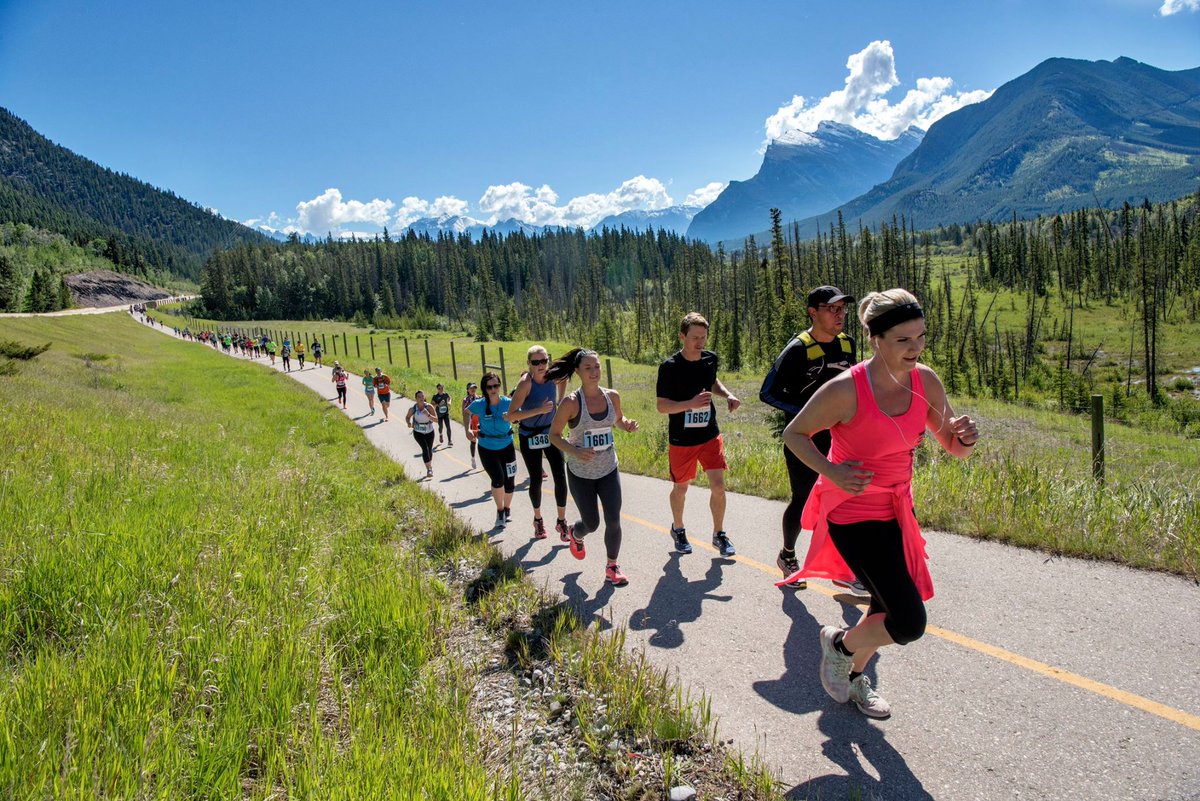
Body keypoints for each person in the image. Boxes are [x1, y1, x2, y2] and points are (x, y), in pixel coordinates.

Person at [782, 288, 980, 719]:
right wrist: (832, 472)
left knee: (881, 607)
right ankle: (838, 643)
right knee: (908, 622)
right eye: (903, 340)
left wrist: (964, 437)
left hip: (896, 510)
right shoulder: (846, 390)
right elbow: (794, 434)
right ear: (875, 339)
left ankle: (852, 679)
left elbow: (952, 444)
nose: (916, 348)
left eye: (921, 337)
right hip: (853, 513)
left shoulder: (925, 380)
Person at [761, 285, 861, 592]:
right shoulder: (798, 349)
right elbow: (768, 392)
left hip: (841, 438)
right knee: (803, 499)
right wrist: (808, 414)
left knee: (843, 499)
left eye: (842, 308)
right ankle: (787, 555)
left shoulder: (847, 344)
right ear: (813, 312)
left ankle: (843, 568)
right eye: (832, 309)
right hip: (804, 439)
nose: (839, 314)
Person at [549, 349, 639, 586]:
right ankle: (575, 534)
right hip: (581, 473)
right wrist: (575, 451)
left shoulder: (612, 396)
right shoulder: (571, 403)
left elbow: (617, 420)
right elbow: (554, 436)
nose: (594, 372)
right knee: (592, 523)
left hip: (608, 468)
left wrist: (626, 424)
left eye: (597, 367)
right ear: (577, 371)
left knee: (613, 519)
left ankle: (612, 567)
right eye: (588, 368)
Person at [655, 312, 740, 557]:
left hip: (709, 434)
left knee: (718, 486)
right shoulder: (669, 367)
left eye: (703, 337)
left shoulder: (710, 359)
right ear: (682, 336)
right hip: (682, 439)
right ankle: (678, 528)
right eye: (694, 337)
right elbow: (662, 406)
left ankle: (719, 534)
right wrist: (690, 403)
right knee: (681, 488)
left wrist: (728, 395)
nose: (700, 342)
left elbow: (712, 382)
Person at [505, 346, 570, 541]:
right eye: (536, 362)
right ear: (529, 364)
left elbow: (565, 377)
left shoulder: (553, 375)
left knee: (560, 476)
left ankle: (561, 521)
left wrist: (561, 400)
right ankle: (538, 519)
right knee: (536, 478)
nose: (541, 365)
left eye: (544, 361)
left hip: (551, 433)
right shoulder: (526, 383)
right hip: (529, 434)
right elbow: (511, 415)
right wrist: (538, 410)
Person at [466, 372, 516, 530]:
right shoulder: (479, 404)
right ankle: (500, 511)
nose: (493, 389)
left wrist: (514, 418)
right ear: (485, 389)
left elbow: (519, 415)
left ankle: (507, 509)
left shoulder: (508, 402)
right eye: (490, 387)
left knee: (510, 481)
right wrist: (467, 429)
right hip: (487, 447)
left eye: (496, 385)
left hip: (507, 445)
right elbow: (466, 412)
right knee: (498, 479)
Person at [406, 390, 438, 479]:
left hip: (429, 431)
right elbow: (407, 417)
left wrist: (428, 414)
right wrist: (408, 423)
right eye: (419, 397)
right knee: (425, 448)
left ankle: (429, 466)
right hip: (418, 432)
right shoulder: (413, 409)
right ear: (416, 399)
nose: (421, 398)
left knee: (429, 449)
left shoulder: (429, 407)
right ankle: (429, 469)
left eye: (422, 396)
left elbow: (436, 420)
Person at [461, 382, 481, 469]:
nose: (473, 390)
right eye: (471, 388)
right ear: (468, 390)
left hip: (480, 422)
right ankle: (473, 458)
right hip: (472, 422)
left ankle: (486, 459)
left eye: (474, 388)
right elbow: (465, 413)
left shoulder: (480, 398)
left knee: (483, 441)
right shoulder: (466, 400)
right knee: (473, 441)